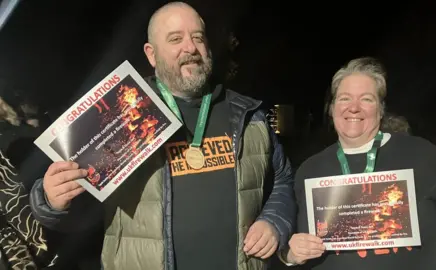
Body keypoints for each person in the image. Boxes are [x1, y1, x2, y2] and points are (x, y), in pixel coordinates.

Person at [29, 2, 296, 270]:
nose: (190, 48)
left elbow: (282, 180)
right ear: (152, 54)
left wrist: (274, 220)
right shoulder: (121, 113)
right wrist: (51, 200)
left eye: (198, 37)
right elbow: (82, 213)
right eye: (175, 39)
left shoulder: (249, 115)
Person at [282, 57, 436, 269]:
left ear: (380, 109)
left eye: (366, 99)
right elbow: (287, 241)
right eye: (344, 98)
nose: (354, 108)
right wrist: (290, 255)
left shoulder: (422, 155)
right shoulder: (310, 170)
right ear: (331, 108)